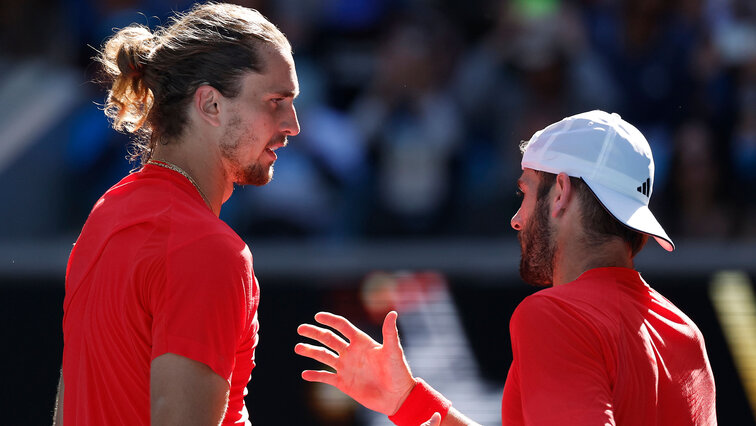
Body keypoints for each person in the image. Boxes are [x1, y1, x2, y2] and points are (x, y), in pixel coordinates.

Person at [295, 110, 717, 425]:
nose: (517, 218)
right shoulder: (684, 333)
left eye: (527, 192)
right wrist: (408, 401)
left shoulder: (555, 316)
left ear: (561, 193)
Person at [54, 3, 299, 425]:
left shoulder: (107, 213)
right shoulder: (208, 251)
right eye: (275, 101)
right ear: (210, 105)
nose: (292, 123)